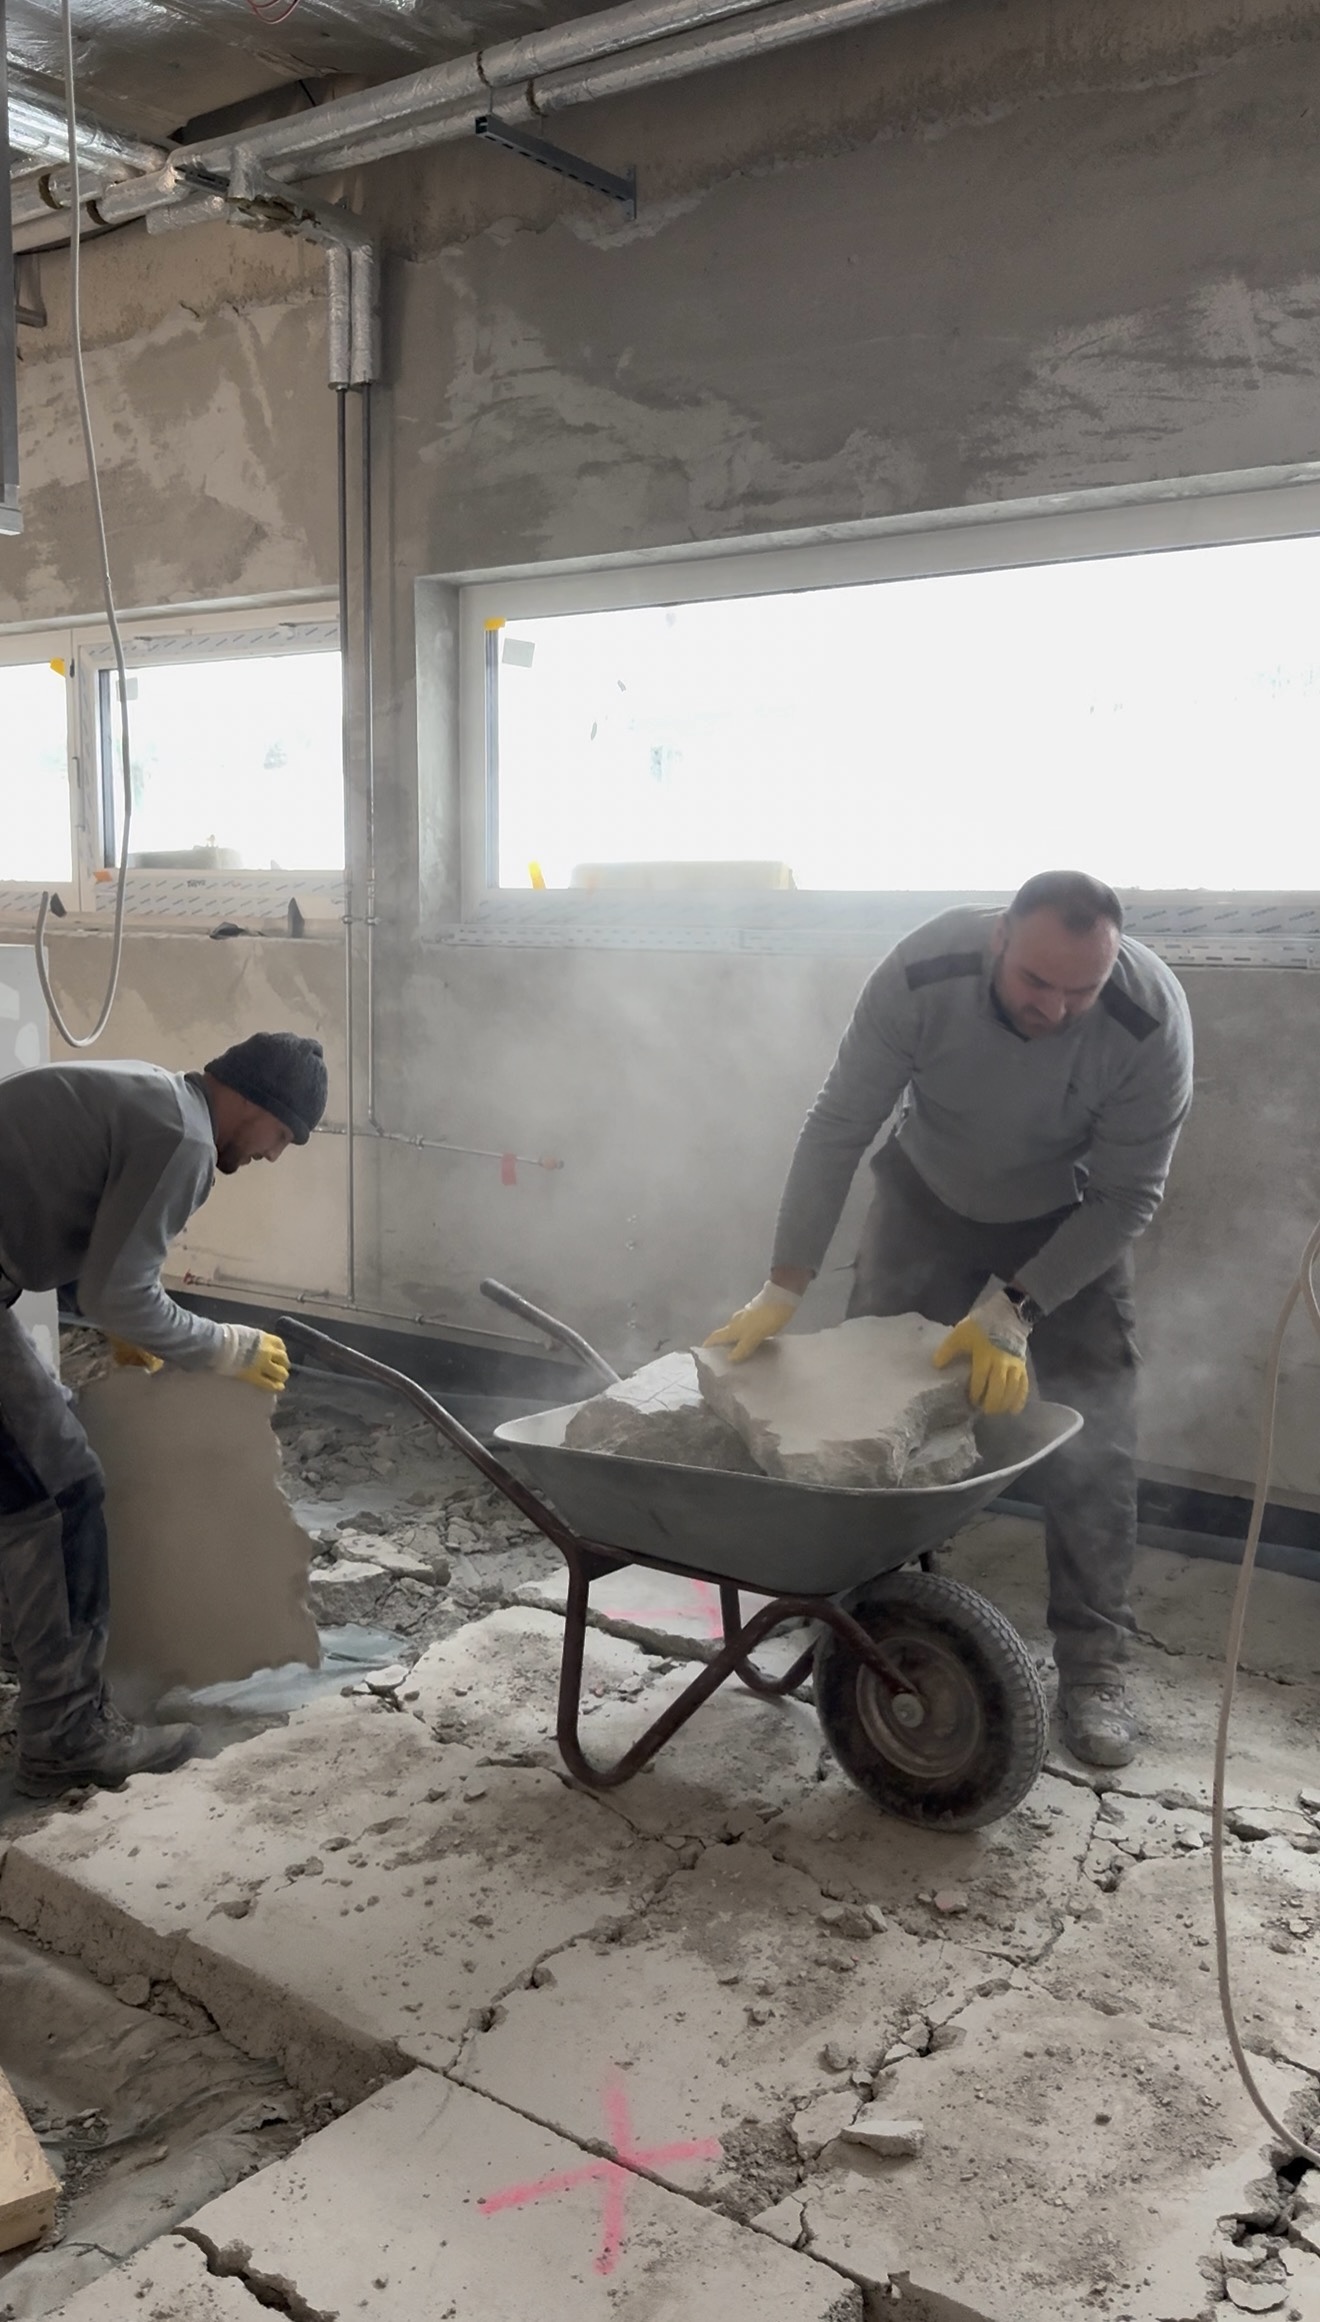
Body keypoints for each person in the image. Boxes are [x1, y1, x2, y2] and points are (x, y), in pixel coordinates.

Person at [708, 871, 1193, 1769]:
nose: (1056, 1008)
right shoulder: (921, 970)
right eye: (1036, 981)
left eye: (1081, 989)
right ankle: (858, 1621)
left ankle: (1094, 1668)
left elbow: (1129, 1197)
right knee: (862, 1414)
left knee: (1095, 1442)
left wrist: (1018, 1304)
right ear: (998, 937)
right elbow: (839, 1124)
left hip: (1069, 1218)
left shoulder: (1148, 1020)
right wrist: (784, 1284)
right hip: (926, 1196)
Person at [0, 1031, 328, 1800]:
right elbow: (120, 1292)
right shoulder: (185, 1139)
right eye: (283, 1135)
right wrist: (226, 1346)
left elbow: (74, 1228)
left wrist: (123, 1317)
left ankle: (31, 1646)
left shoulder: (151, 1096)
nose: (274, 1155)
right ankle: (66, 1733)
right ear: (254, 1104)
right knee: (62, 1488)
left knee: (21, 1474)